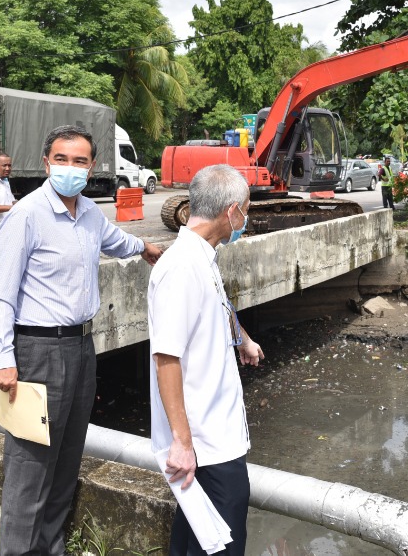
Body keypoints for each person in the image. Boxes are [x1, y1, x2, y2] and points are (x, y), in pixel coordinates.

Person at [0, 125, 162, 556]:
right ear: (47, 163)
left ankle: (50, 547)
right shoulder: (26, 215)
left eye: (80, 161)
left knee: (67, 458)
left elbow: (116, 241)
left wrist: (146, 248)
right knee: (30, 465)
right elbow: (1, 295)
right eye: (61, 159)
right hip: (38, 351)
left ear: (93, 167)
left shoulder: (88, 213)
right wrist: (2, 358)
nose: (70, 168)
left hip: (82, 348)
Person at [148, 164, 264, 556]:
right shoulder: (181, 267)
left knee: (195, 543)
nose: (246, 220)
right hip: (205, 445)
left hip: (217, 434)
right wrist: (182, 443)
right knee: (224, 546)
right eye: (246, 211)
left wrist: (243, 339)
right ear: (231, 212)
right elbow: (166, 357)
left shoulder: (203, 257)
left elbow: (220, 304)